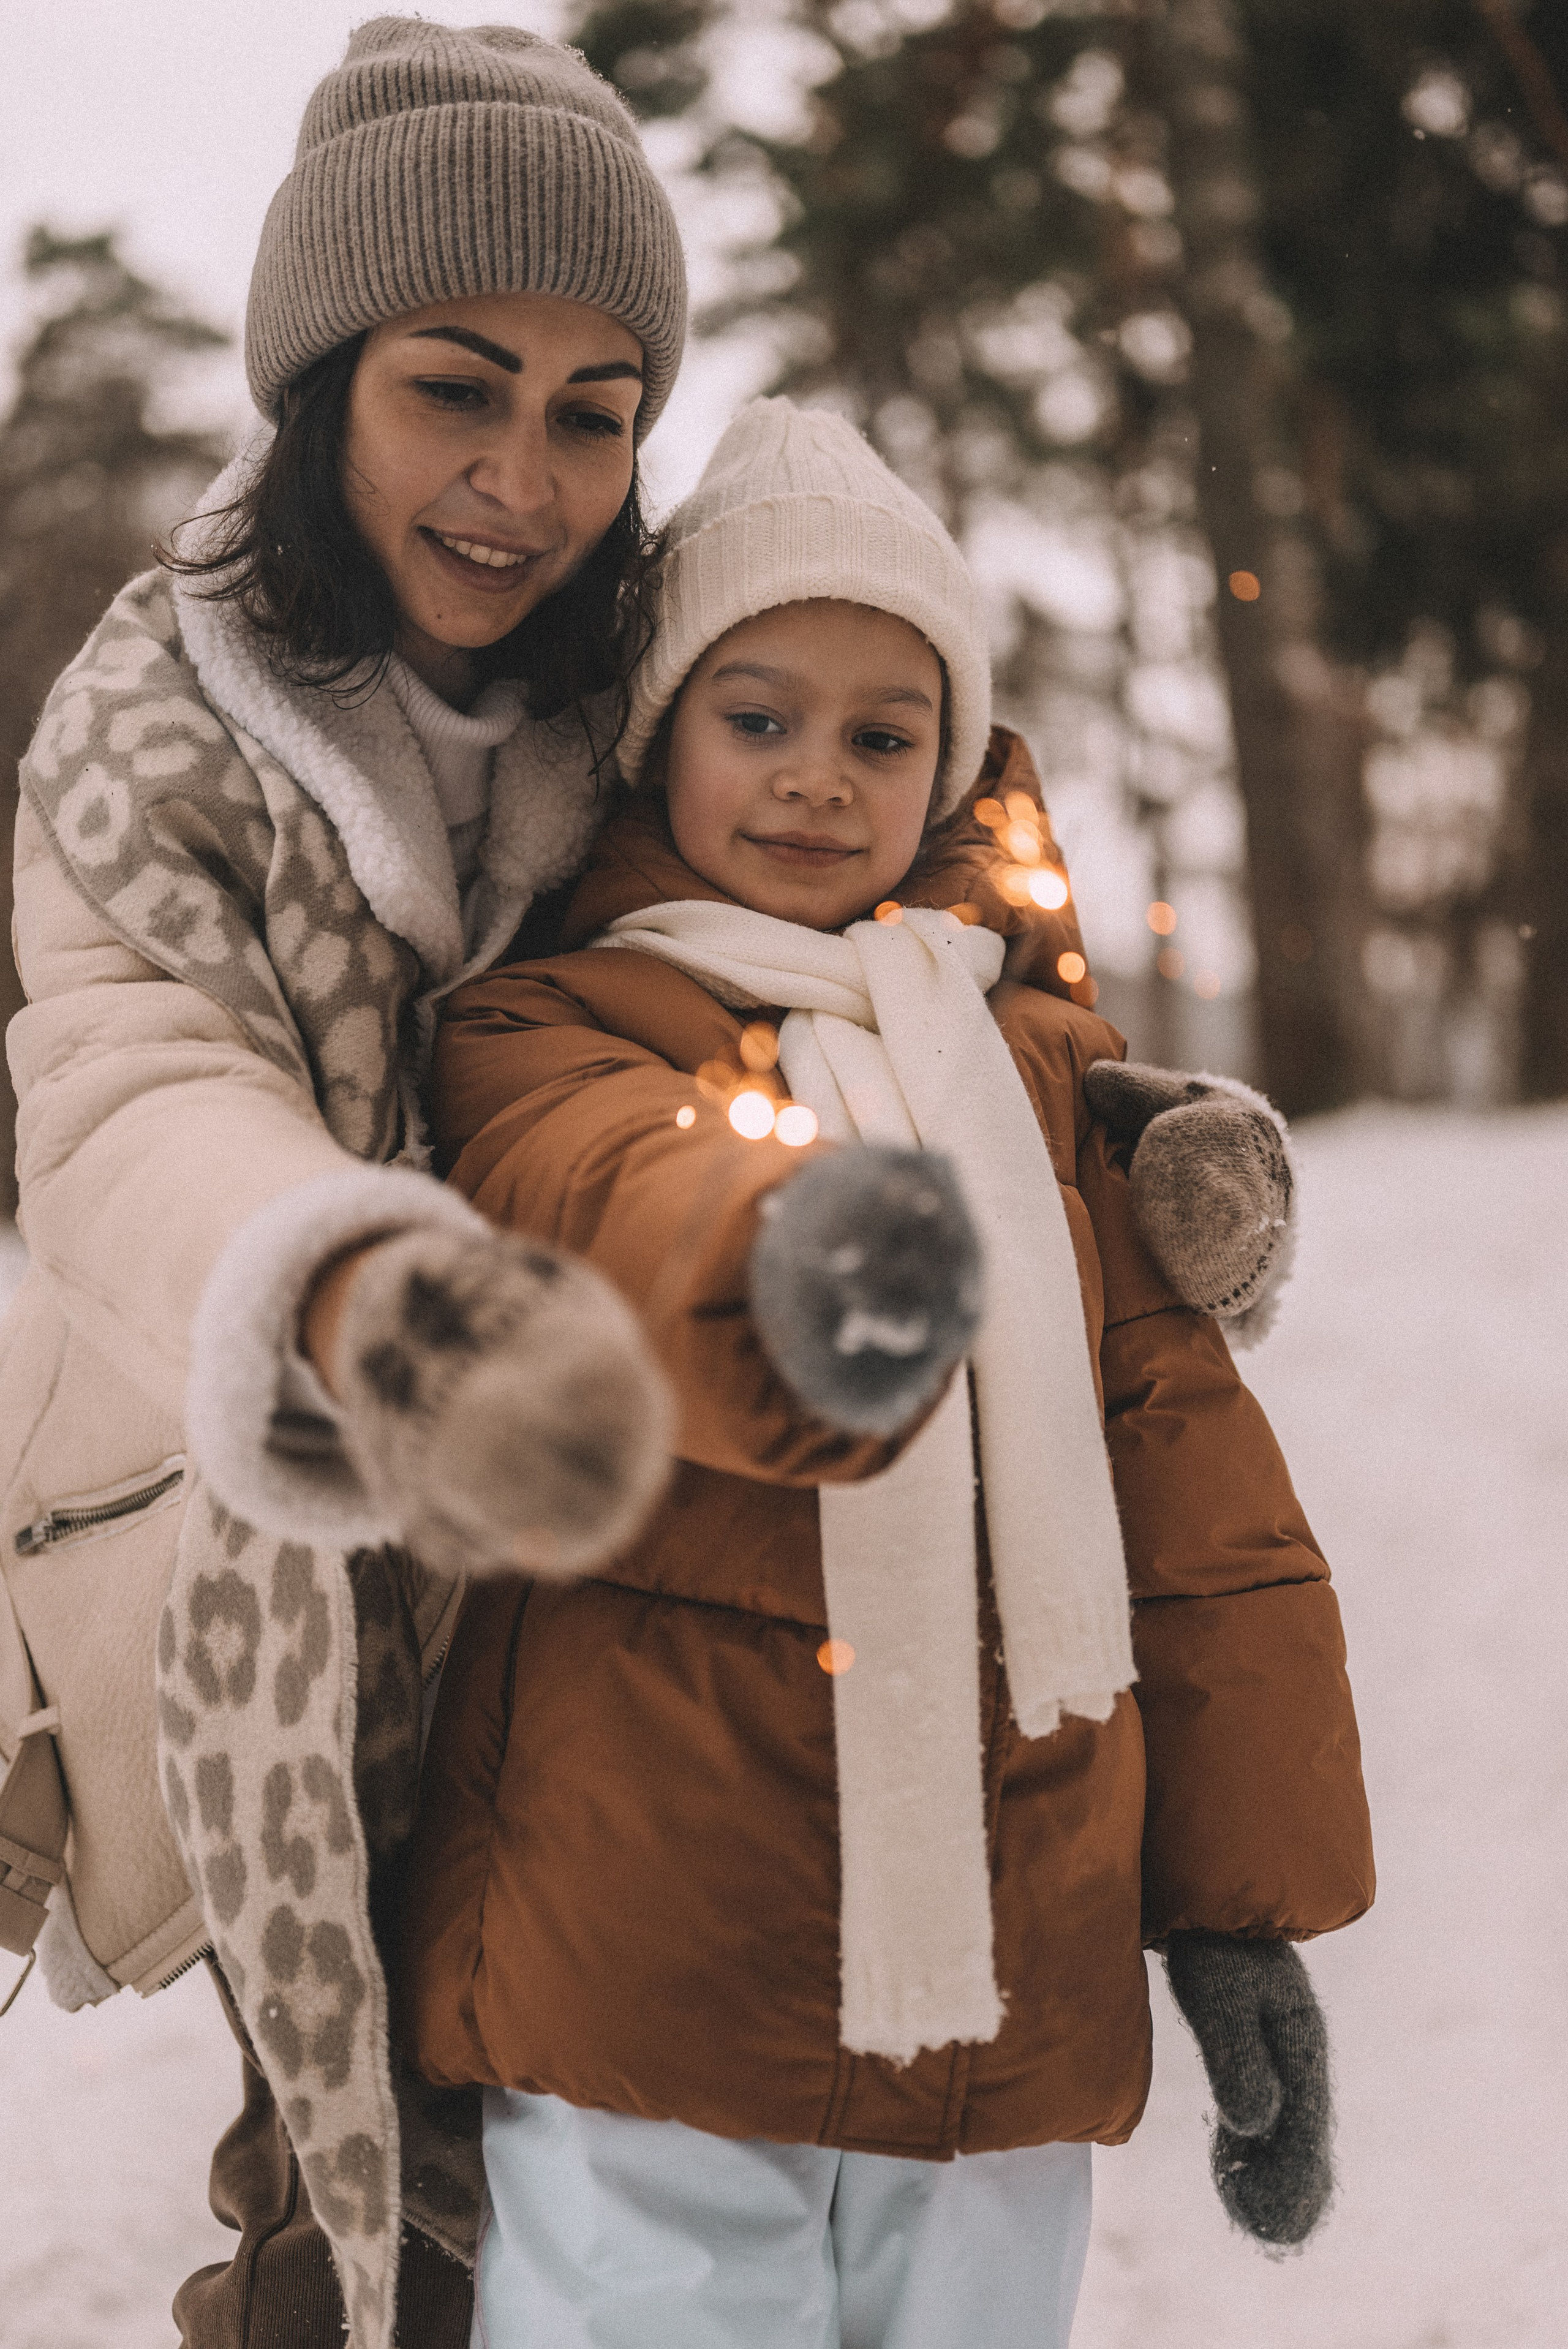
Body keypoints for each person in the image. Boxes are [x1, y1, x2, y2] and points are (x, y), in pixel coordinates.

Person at [0, 24, 1303, 2346]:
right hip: (278, 1532)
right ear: (319, 381)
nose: (523, 478)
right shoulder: (149, 751)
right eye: (456, 388)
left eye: (595, 410)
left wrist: (1098, 1128)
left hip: (614, 1611)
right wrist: (373, 1292)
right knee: (372, 2219)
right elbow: (134, 1104)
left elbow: (904, 900)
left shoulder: (662, 670)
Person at [402, 398, 1375, 2349]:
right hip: (650, 1932)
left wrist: (1240, 1905)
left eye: (881, 732)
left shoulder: (1033, 1078)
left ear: (950, 767)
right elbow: (606, 1200)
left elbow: (1184, 1486)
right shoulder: (548, 1029)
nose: (816, 780)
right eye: (756, 716)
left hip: (1014, 1952)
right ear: (658, 730)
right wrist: (787, 1252)